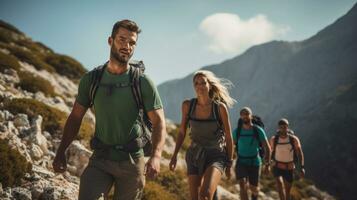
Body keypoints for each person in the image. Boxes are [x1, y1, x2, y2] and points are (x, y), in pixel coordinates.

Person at [52, 19, 166, 200]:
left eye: (132, 43)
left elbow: (159, 121)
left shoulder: (142, 82)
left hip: (132, 162)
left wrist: (156, 157)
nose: (127, 46)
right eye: (122, 39)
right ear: (110, 41)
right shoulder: (91, 80)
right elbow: (75, 117)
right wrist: (60, 152)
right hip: (100, 159)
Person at [169, 70, 235, 200]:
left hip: (216, 155)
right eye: (196, 83)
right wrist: (174, 155)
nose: (200, 86)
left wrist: (229, 162)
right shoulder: (188, 105)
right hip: (194, 154)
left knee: (205, 196)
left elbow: (228, 136)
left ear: (209, 85)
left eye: (203, 83)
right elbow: (182, 131)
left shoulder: (219, 108)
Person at [233, 107, 271, 200]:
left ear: (251, 116)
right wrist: (229, 159)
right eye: (242, 114)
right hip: (241, 162)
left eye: (247, 114)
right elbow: (231, 146)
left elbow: (268, 148)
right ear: (240, 117)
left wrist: (267, 165)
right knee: (242, 185)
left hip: (255, 162)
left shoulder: (258, 130)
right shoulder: (237, 131)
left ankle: (255, 196)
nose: (245, 116)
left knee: (254, 188)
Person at [270, 118, 305, 200]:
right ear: (278, 128)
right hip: (277, 166)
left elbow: (300, 153)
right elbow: (270, 151)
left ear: (287, 127)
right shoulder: (274, 139)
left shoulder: (294, 139)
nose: (283, 129)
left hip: (289, 168)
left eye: (284, 127)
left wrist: (302, 167)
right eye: (281, 127)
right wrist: (268, 163)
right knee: (279, 186)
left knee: (287, 191)